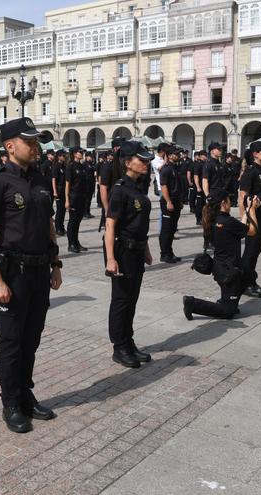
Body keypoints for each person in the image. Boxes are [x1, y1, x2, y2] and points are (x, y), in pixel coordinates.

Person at [0, 117, 62, 434]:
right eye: (29, 141)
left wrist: (56, 264)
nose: (35, 146)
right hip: (14, 273)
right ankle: (11, 402)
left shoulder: (40, 179)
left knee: (32, 339)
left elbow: (49, 225)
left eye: (36, 141)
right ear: (11, 146)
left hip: (41, 271)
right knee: (11, 341)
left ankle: (25, 394)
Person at [104, 141, 155, 368]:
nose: (146, 163)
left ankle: (129, 341)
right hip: (122, 251)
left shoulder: (137, 187)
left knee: (132, 299)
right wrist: (111, 258)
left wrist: (146, 248)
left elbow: (140, 223)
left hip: (136, 249)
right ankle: (119, 347)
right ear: (128, 162)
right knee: (121, 300)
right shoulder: (120, 189)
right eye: (141, 160)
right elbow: (110, 225)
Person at [183, 189, 260, 320]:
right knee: (228, 312)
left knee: (249, 275)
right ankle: (192, 304)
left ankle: (228, 300)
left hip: (221, 268)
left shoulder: (213, 219)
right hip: (228, 273)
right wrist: (252, 210)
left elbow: (240, 226)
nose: (231, 203)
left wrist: (247, 210)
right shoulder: (227, 222)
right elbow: (252, 231)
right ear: (223, 203)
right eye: (229, 200)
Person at [238, 140, 261, 297]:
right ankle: (245, 284)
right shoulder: (250, 172)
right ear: (255, 154)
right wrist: (244, 221)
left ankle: (250, 281)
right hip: (254, 217)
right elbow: (242, 198)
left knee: (255, 252)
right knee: (250, 252)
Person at [157, 144, 182, 263]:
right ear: (170, 155)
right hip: (169, 202)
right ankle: (164, 254)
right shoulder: (166, 169)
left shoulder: (175, 168)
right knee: (166, 229)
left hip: (176, 201)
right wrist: (168, 202)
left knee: (172, 228)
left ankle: (170, 252)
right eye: (176, 154)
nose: (179, 155)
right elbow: (164, 186)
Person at [65, 147, 90, 253]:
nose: (82, 154)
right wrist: (67, 200)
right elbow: (67, 184)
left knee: (78, 221)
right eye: (80, 152)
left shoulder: (82, 166)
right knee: (72, 221)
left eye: (82, 152)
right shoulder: (70, 167)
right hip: (74, 197)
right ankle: (71, 244)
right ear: (74, 154)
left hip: (82, 197)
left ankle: (76, 242)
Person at [52, 149, 68, 236]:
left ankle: (61, 227)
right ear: (59, 156)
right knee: (59, 210)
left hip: (64, 190)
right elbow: (54, 179)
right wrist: (54, 191)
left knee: (63, 210)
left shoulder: (64, 166)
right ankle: (58, 228)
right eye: (63, 155)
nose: (64, 156)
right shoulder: (56, 166)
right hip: (58, 189)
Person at [84, 153, 97, 219]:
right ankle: (85, 212)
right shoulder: (84, 164)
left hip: (91, 183)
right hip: (86, 184)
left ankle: (88, 212)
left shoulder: (91, 164)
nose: (91, 158)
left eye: (92, 157)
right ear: (86, 157)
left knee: (89, 199)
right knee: (86, 199)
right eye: (90, 157)